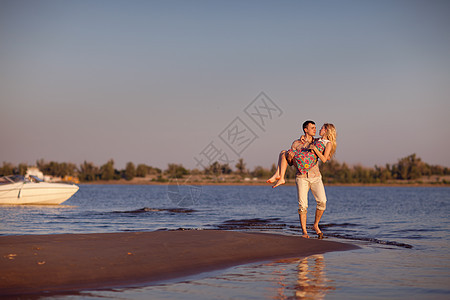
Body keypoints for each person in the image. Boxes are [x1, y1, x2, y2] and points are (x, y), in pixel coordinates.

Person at [267, 121, 337, 239]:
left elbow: (326, 156)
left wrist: (316, 149)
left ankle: (315, 225)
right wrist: (289, 157)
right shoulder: (296, 143)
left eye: (316, 128)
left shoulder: (317, 141)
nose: (315, 130)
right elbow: (290, 162)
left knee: (322, 202)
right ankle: (304, 232)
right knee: (303, 206)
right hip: (301, 177)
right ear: (305, 130)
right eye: (312, 128)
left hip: (315, 177)